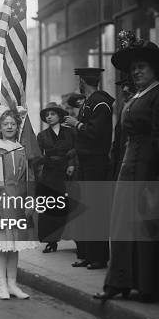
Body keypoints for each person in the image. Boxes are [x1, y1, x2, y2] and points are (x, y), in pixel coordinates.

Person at [94, 33, 159, 302]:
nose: (137, 71)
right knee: (122, 225)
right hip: (128, 167)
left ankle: (147, 285)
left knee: (143, 227)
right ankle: (119, 282)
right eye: (134, 68)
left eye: (142, 67)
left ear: (154, 69)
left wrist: (158, 175)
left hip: (149, 168)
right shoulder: (137, 96)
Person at [0, 107, 40, 299]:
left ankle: (13, 284)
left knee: (15, 245)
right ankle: (1, 284)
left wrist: (30, 199)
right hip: (1, 202)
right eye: (6, 124)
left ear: (18, 127)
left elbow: (29, 176)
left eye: (13, 124)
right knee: (2, 245)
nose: (9, 127)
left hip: (19, 203)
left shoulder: (22, 149)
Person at [63, 67, 114, 270]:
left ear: (83, 82)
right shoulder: (90, 103)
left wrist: (77, 125)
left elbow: (97, 132)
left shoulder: (100, 102)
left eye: (80, 81)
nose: (79, 84)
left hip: (96, 162)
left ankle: (99, 257)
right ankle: (87, 254)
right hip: (86, 162)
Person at [36, 102, 76, 253]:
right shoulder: (42, 136)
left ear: (59, 115)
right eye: (47, 115)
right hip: (50, 175)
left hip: (68, 173)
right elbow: (38, 157)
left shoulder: (71, 132)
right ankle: (51, 241)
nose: (49, 117)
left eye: (52, 114)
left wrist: (72, 163)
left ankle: (78, 241)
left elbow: (76, 149)